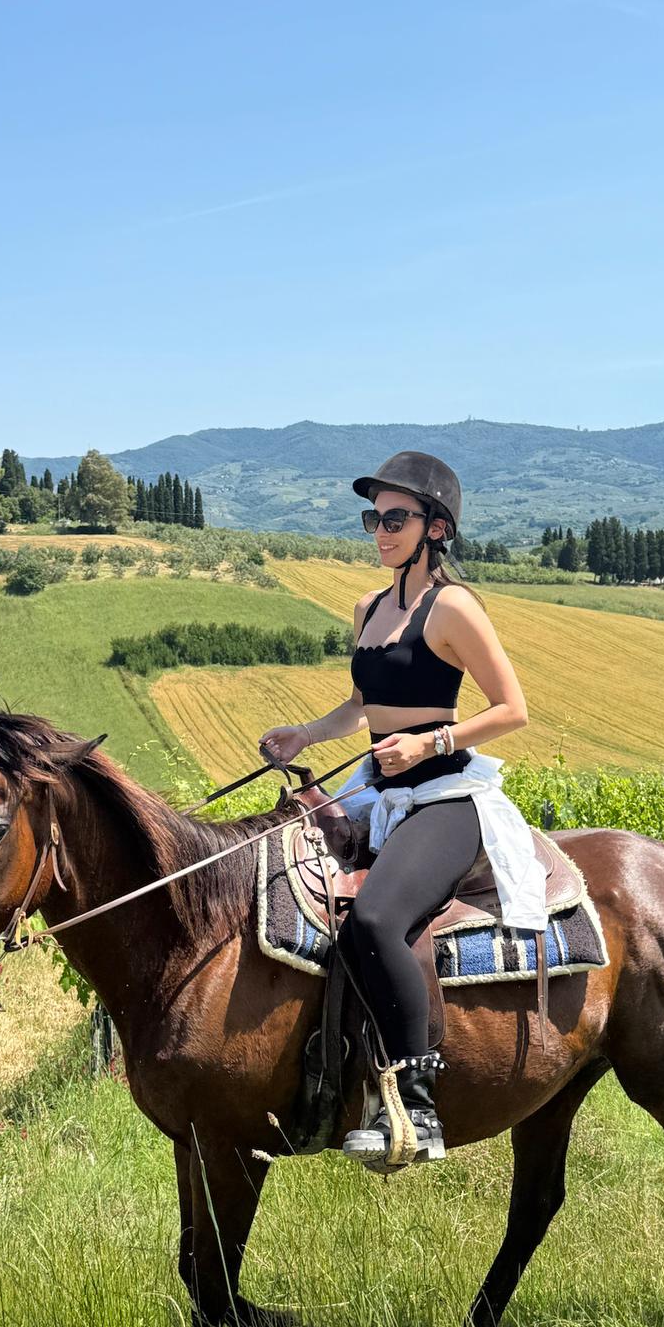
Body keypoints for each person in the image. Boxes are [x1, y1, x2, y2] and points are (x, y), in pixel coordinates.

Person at [259, 451, 546, 1165]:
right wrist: (306, 733)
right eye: (373, 518)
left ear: (436, 527)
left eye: (395, 518)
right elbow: (363, 706)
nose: (379, 531)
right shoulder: (368, 607)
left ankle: (417, 1109)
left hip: (448, 794)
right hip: (381, 789)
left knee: (381, 917)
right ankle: (335, 1080)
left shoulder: (453, 608)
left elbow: (513, 709)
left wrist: (429, 744)